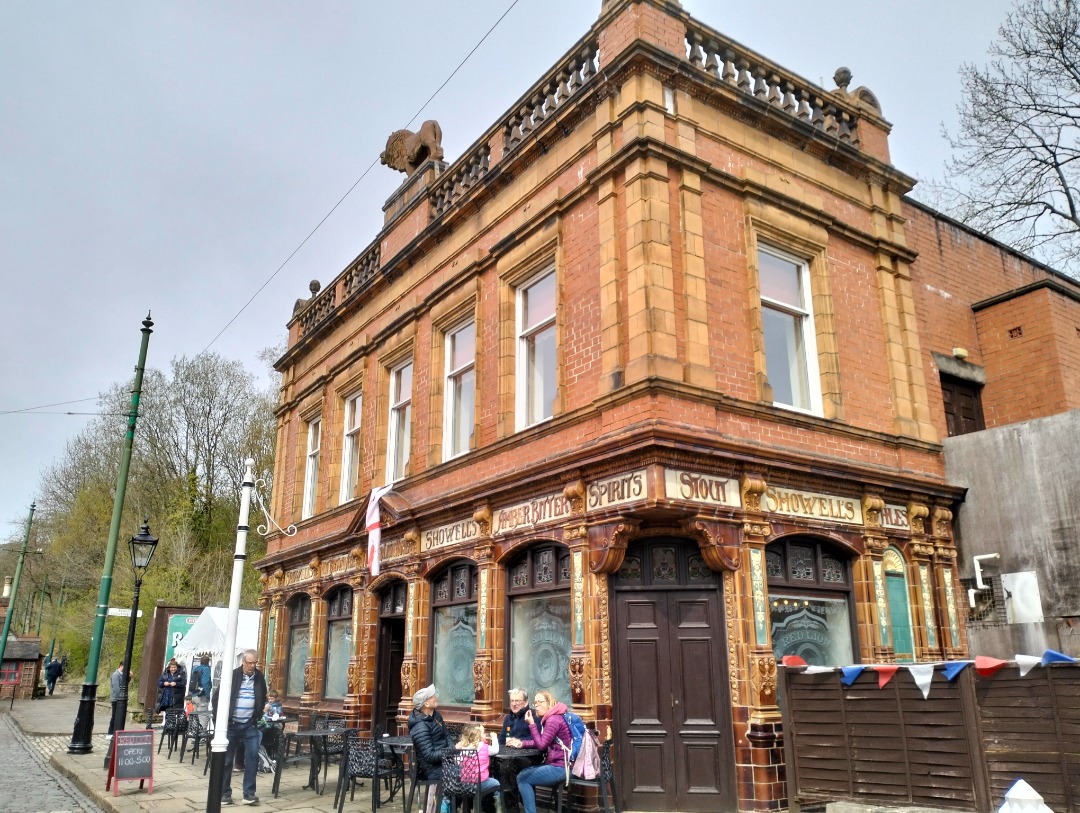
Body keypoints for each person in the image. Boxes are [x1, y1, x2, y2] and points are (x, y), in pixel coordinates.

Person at [212, 649, 267, 806]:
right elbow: (216, 698)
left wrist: (258, 715)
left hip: (250, 724)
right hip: (231, 724)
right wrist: (219, 721)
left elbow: (263, 696)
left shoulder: (259, 677)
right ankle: (224, 794)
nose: (252, 666)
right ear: (243, 662)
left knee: (252, 758)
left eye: (254, 663)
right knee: (227, 760)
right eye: (249, 663)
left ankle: (249, 794)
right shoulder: (233, 675)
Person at [510, 690, 571, 813]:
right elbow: (543, 741)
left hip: (561, 767)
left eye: (540, 702)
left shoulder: (553, 720)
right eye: (535, 703)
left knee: (522, 778)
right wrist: (521, 743)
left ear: (549, 703)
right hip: (562, 765)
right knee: (526, 773)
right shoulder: (555, 716)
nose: (536, 705)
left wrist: (531, 724)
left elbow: (542, 746)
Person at [407, 684, 455, 780]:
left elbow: (446, 734)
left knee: (474, 770)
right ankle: (445, 795)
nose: (435, 698)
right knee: (468, 775)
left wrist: (452, 750)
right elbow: (430, 756)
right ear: (426, 704)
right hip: (433, 770)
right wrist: (452, 750)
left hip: (446, 762)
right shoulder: (419, 727)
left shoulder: (436, 715)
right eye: (432, 697)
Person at [455, 723, 501, 800]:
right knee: (496, 784)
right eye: (483, 733)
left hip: (466, 784)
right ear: (479, 736)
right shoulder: (485, 747)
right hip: (481, 784)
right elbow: (495, 750)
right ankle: (498, 808)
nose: (485, 734)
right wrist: (494, 738)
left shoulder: (464, 748)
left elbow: (458, 762)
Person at [107, 662, 124, 739]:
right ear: (121, 666)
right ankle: (110, 733)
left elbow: (125, 685)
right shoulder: (116, 675)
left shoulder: (122, 675)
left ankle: (116, 732)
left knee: (118, 716)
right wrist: (121, 697)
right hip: (116, 699)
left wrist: (129, 677)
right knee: (114, 716)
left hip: (120, 699)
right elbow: (117, 688)